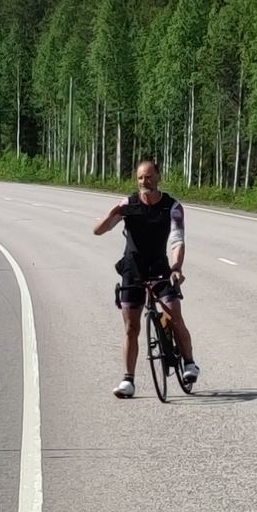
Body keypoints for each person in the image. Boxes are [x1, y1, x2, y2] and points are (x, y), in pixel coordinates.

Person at [95, 159, 197, 396]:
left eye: (149, 176)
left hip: (161, 268)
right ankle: (128, 381)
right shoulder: (128, 204)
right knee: (131, 327)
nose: (145, 181)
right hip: (132, 270)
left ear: (158, 177)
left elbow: (177, 239)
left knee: (174, 316)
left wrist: (177, 267)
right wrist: (112, 213)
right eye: (141, 177)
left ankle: (189, 363)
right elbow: (98, 230)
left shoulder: (171, 206)